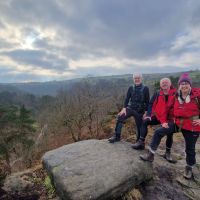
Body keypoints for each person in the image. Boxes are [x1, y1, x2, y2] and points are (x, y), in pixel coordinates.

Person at [132, 78, 176, 160]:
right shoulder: (157, 93)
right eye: (162, 83)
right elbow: (151, 103)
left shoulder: (175, 94)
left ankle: (167, 153)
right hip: (159, 116)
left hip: (170, 118)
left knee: (170, 132)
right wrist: (148, 114)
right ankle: (141, 142)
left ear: (170, 84)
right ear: (160, 85)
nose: (164, 84)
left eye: (166, 82)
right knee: (145, 121)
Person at [108, 73, 150, 143]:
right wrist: (124, 108)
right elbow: (127, 98)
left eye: (138, 78)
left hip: (140, 110)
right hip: (130, 108)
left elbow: (147, 101)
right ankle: (116, 136)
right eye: (135, 78)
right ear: (133, 79)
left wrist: (146, 112)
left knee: (139, 125)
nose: (137, 79)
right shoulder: (131, 87)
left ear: (141, 79)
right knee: (120, 116)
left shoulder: (145, 88)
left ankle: (139, 142)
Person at [173, 73, 200, 179]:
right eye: (182, 83)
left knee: (189, 148)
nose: (184, 85)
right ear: (179, 85)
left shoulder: (197, 96)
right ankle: (164, 152)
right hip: (179, 124)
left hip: (193, 126)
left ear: (190, 85)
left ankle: (189, 167)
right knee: (162, 131)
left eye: (186, 83)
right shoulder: (176, 96)